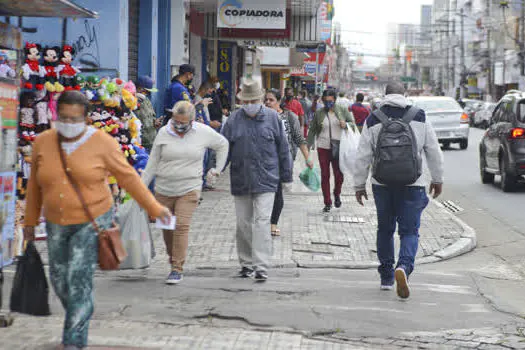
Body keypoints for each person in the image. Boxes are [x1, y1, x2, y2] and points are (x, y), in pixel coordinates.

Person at [23, 91, 172, 350]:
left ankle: (73, 341)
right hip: (56, 220)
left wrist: (154, 207)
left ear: (86, 118)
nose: (69, 123)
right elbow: (35, 186)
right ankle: (81, 308)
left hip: (92, 220)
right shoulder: (43, 142)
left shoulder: (103, 143)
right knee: (59, 277)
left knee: (79, 277)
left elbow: (128, 178)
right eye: (64, 118)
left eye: (75, 118)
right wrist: (29, 222)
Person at [353, 82, 444, 299]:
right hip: (413, 183)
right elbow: (433, 149)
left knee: (385, 229)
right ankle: (403, 267)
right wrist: (437, 179)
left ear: (385, 95)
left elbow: (363, 154)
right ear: (404, 94)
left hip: (382, 184)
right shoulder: (419, 116)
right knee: (409, 231)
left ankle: (386, 277)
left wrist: (359, 184)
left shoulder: (374, 117)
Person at [142, 100, 229, 285]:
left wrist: (217, 169)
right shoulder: (164, 132)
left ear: (192, 120)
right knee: (167, 227)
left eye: (183, 123)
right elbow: (152, 164)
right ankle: (173, 258)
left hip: (189, 188)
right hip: (163, 189)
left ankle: (176, 268)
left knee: (181, 225)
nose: (179, 126)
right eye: (176, 121)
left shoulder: (202, 132)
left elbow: (223, 144)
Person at [222, 78, 293, 281]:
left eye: (253, 100)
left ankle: (261, 266)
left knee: (262, 222)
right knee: (243, 223)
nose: (250, 105)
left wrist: (287, 177)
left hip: (267, 178)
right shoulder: (234, 120)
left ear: (260, 100)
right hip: (241, 178)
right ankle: (246, 263)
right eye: (246, 101)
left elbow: (283, 150)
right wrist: (216, 169)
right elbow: (224, 148)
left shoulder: (273, 119)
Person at [264, 89, 314, 236]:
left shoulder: (290, 116)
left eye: (271, 100)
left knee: (277, 192)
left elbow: (299, 138)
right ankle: (263, 221)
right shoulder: (260, 116)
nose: (267, 103)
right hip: (264, 160)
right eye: (266, 100)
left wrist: (308, 158)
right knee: (264, 192)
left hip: (283, 160)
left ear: (279, 101)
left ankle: (273, 224)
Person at [307, 89, 355, 213]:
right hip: (323, 147)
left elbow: (353, 124)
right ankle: (327, 202)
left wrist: (346, 125)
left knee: (339, 175)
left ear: (334, 100)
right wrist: (307, 147)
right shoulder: (319, 113)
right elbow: (312, 130)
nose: (328, 103)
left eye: (330, 101)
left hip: (339, 146)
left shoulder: (342, 110)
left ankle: (337, 193)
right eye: (325, 101)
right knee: (325, 175)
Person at [135, 75, 158, 152]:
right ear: (139, 89)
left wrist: (156, 122)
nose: (147, 94)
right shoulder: (132, 101)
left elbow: (151, 117)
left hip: (151, 140)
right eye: (146, 91)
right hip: (141, 142)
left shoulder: (147, 100)